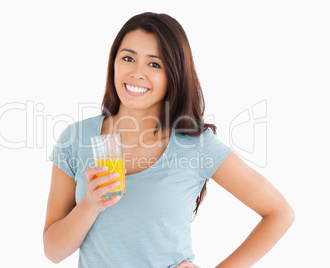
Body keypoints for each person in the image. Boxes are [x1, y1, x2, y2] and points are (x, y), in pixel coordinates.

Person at [43, 12, 294, 268]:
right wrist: (89, 206)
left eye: (154, 64)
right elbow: (53, 251)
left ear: (174, 73)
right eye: (128, 58)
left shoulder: (196, 146)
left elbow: (279, 213)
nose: (137, 73)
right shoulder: (75, 139)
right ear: (113, 63)